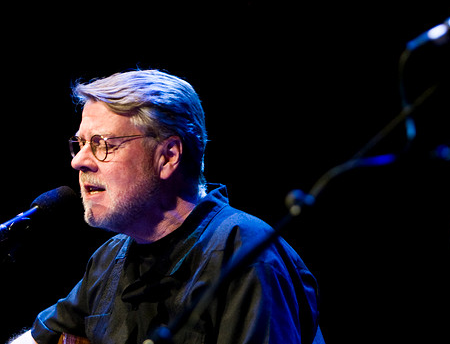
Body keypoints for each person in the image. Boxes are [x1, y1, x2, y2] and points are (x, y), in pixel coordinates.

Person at [9, 69, 323, 344]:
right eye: (80, 144)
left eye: (101, 145)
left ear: (168, 156)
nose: (78, 161)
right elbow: (40, 336)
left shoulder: (246, 255)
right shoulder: (109, 259)